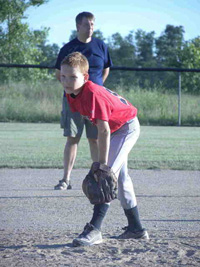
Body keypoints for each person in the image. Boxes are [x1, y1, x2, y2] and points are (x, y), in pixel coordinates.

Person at [60, 52, 149, 247]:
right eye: (63, 76)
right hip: (116, 128)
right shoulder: (71, 93)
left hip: (126, 127)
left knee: (106, 178)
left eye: (73, 77)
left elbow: (104, 130)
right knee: (122, 180)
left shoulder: (92, 93)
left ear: (85, 77)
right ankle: (136, 229)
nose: (67, 81)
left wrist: (102, 164)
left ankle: (95, 229)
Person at [54, 11, 112, 190]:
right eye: (87, 24)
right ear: (78, 26)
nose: (91, 28)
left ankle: (98, 177)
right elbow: (59, 74)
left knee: (95, 138)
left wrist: (95, 89)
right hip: (73, 101)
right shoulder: (68, 48)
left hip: (95, 101)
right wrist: (74, 90)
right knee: (73, 138)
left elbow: (105, 70)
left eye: (93, 24)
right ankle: (66, 180)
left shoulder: (101, 46)